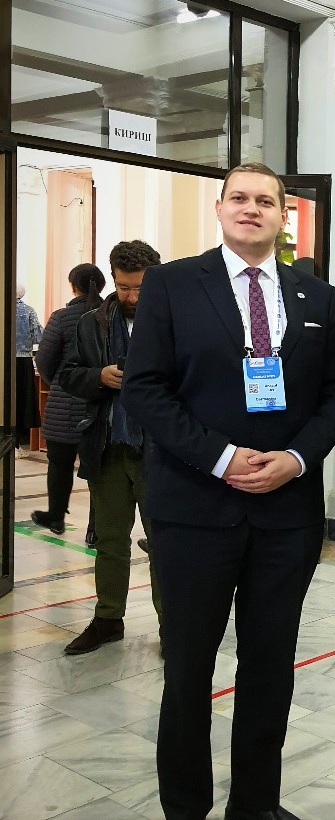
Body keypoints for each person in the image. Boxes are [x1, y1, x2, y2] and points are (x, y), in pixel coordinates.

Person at [122, 163, 335, 820]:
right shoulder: (172, 285)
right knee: (189, 668)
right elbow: (145, 391)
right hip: (194, 510)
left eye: (267, 201)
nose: (253, 209)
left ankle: (256, 800)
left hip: (285, 516)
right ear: (220, 207)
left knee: (269, 665)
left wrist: (296, 456)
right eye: (241, 198)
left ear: (285, 216)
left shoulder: (316, 295)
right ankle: (183, 813)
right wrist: (221, 458)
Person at [59, 244, 164, 656]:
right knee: (110, 541)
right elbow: (67, 374)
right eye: (123, 288)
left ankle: (171, 626)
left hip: (160, 451)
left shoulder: (174, 321)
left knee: (163, 543)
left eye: (140, 288)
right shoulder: (91, 324)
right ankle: (107, 619)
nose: (132, 297)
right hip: (107, 446)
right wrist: (99, 376)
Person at [31, 264, 105, 540]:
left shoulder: (61, 318)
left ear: (73, 285)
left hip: (63, 404)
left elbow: (44, 361)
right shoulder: (110, 315)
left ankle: (56, 518)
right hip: (100, 403)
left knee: (59, 464)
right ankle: (95, 530)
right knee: (100, 472)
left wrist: (60, 384)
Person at [15, 285, 43, 456]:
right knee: (21, 401)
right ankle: (17, 445)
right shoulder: (29, 311)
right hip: (24, 361)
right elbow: (39, 336)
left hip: (4, 360)